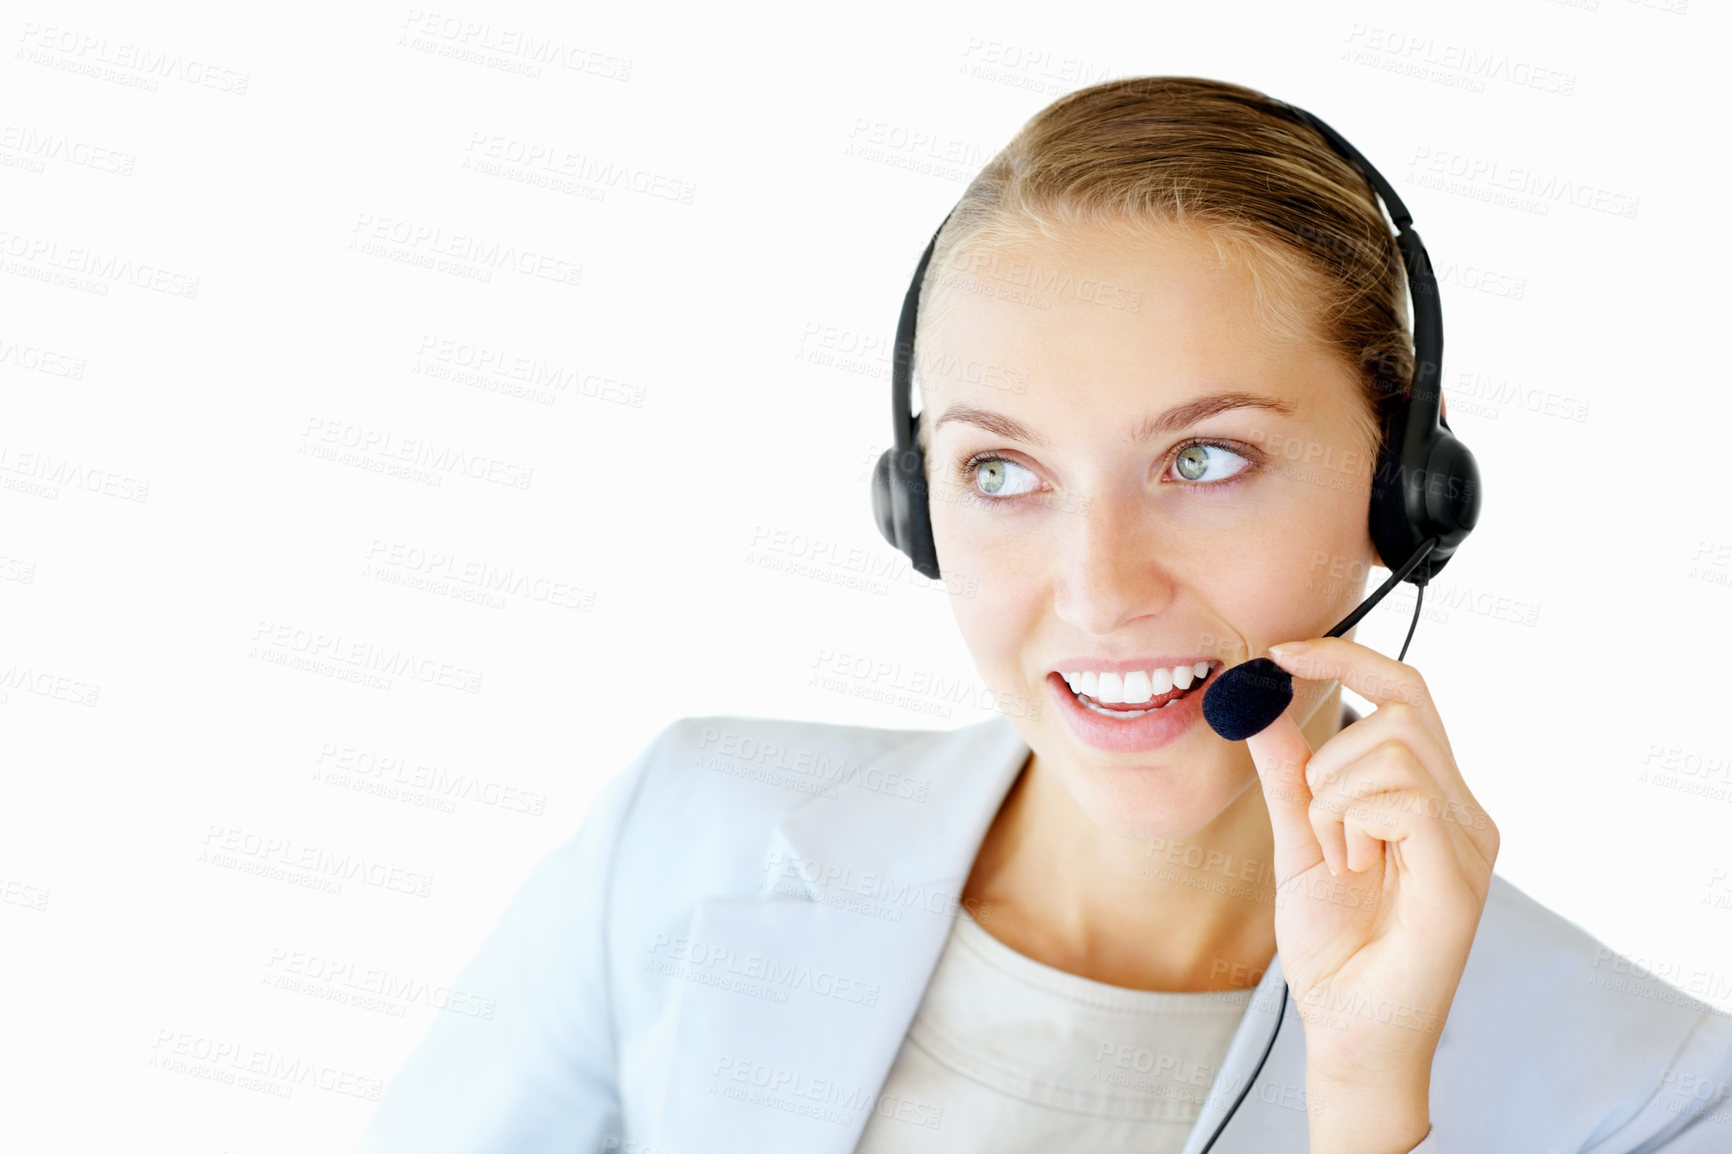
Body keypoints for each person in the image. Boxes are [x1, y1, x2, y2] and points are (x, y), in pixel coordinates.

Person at [353, 77, 1732, 1154]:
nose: (1099, 586)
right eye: (1000, 469)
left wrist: (1369, 1100)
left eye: (1203, 459)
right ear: (914, 503)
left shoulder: (1651, 1092)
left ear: (1406, 491)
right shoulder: (681, 838)